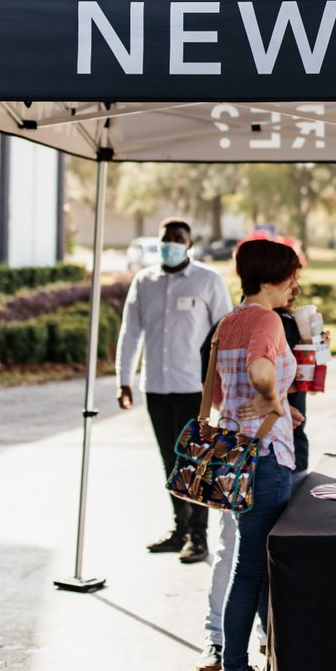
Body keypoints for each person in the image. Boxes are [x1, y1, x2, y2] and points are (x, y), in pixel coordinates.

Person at [196, 276, 309, 671]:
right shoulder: (267, 320)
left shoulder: (230, 321)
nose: (295, 286)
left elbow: (224, 389)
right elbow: (259, 369)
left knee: (247, 561)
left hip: (237, 451)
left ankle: (241, 665)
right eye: (290, 278)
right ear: (268, 280)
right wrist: (273, 401)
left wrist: (272, 406)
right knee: (251, 567)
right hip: (264, 455)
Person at [115, 217, 232, 563]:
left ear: (190, 244)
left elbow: (224, 336)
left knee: (195, 460)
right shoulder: (144, 282)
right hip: (156, 386)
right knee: (169, 460)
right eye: (166, 238)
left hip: (193, 388)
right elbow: (130, 332)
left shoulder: (207, 281)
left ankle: (199, 536)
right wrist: (124, 379)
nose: (171, 244)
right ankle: (179, 529)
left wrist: (221, 388)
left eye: (178, 238)